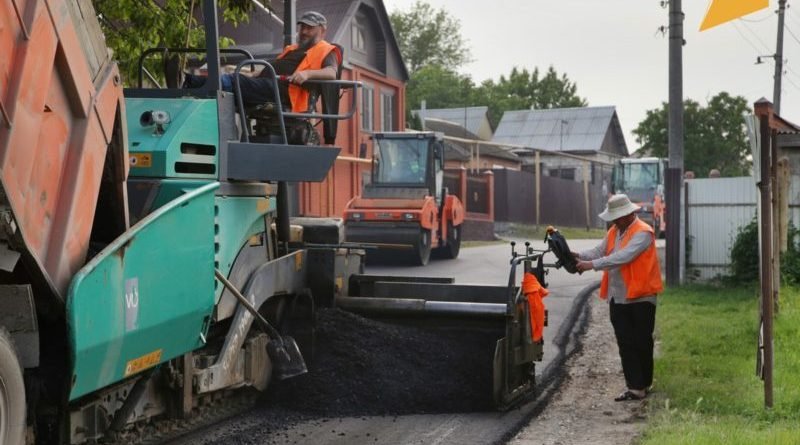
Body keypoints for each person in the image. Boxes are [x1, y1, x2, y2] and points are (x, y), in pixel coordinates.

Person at [573, 194, 663, 402]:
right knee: (625, 342)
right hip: (618, 297)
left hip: (641, 298)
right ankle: (635, 387)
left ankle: (644, 383)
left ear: (629, 213)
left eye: (618, 216)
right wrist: (578, 255)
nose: (614, 221)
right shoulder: (615, 231)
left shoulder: (643, 233)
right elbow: (599, 250)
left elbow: (622, 257)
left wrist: (591, 265)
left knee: (642, 342)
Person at [185, 11, 340, 112]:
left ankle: (190, 82)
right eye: (303, 27)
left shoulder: (326, 49)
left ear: (322, 30)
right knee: (237, 81)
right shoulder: (293, 48)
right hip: (269, 83)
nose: (304, 31)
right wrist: (259, 72)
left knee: (235, 81)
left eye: (310, 28)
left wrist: (307, 74)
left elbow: (331, 73)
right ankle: (186, 81)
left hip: (287, 91)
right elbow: (276, 65)